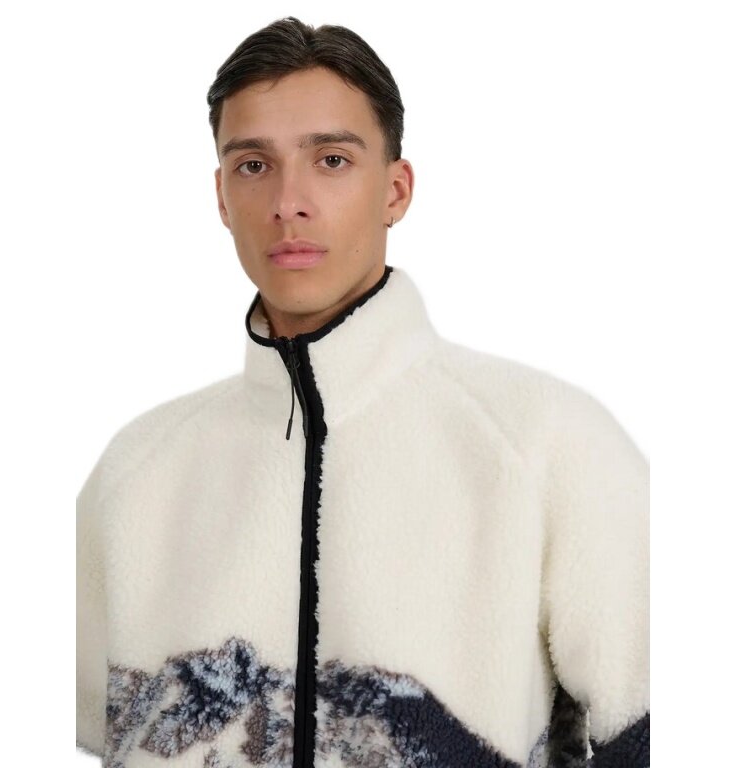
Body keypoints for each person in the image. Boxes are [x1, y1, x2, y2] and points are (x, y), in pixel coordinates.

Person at [76, 16, 650, 768]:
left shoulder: (548, 444)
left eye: (332, 160)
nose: (288, 201)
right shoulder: (134, 474)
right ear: (221, 196)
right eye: (253, 165)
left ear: (396, 189)